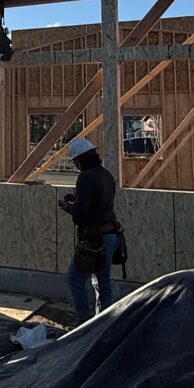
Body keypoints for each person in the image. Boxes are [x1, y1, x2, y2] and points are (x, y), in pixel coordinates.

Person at [59, 137, 121, 324]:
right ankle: (105, 322)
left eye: (76, 162)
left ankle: (84, 322)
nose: (76, 166)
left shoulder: (85, 178)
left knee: (74, 279)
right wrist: (76, 197)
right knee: (103, 281)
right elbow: (98, 202)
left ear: (81, 159)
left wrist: (67, 206)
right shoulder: (106, 175)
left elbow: (81, 213)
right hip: (111, 235)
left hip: (95, 239)